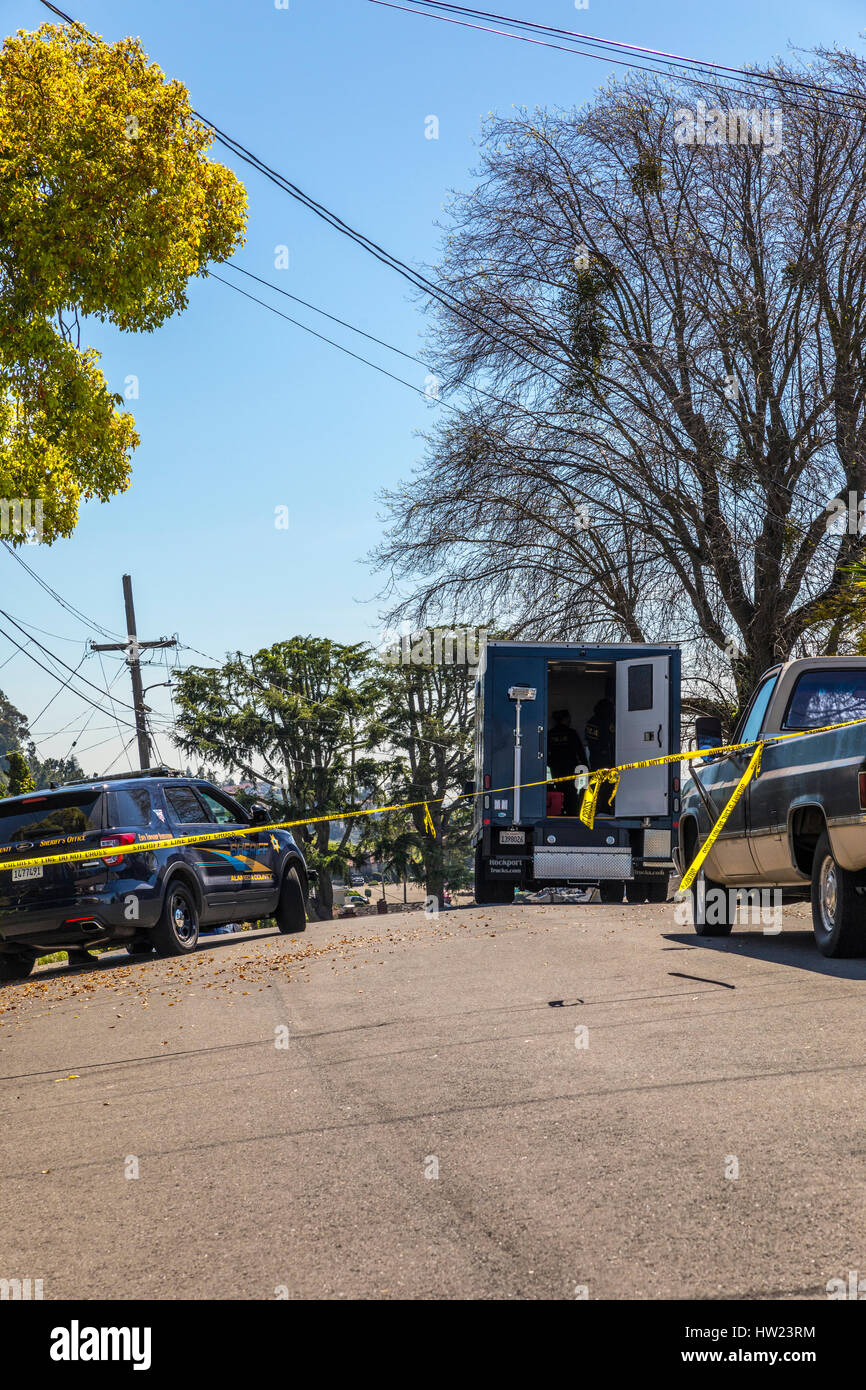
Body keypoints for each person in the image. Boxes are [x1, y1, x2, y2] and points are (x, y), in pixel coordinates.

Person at [547, 709, 586, 816]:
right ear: (565, 719)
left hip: (556, 768)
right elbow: (580, 751)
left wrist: (550, 763)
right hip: (569, 767)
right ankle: (572, 813)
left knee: (559, 789)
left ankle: (559, 810)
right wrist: (585, 765)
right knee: (570, 791)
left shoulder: (550, 734)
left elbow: (545, 752)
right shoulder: (571, 733)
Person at [585, 697, 616, 813]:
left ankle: (599, 810)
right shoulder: (604, 722)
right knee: (605, 787)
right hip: (604, 760)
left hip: (597, 760)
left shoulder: (592, 721)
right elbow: (607, 741)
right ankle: (603, 810)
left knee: (599, 787)